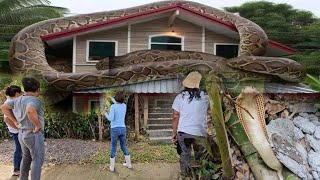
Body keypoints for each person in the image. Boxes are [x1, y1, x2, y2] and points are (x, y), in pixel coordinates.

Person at [0, 77, 45, 180]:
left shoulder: (17, 99)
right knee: (37, 160)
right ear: (37, 89)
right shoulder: (34, 100)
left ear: (24, 89)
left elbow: (3, 107)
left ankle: (23, 178)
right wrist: (38, 125)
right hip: (33, 134)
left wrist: (15, 121)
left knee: (26, 158)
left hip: (22, 134)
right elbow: (30, 110)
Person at [172, 71, 210, 179]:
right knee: (200, 156)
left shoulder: (180, 97)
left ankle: (185, 175)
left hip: (184, 132)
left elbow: (175, 116)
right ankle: (200, 175)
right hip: (200, 132)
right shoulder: (206, 97)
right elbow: (209, 112)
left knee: (184, 154)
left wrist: (174, 133)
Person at [104, 91, 131, 172]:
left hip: (115, 129)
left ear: (116, 98)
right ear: (123, 99)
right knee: (123, 146)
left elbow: (111, 118)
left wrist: (105, 112)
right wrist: (111, 98)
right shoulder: (124, 106)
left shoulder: (113, 107)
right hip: (123, 129)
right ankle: (129, 164)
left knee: (113, 147)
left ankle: (112, 167)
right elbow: (118, 103)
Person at [2, 85, 23, 176]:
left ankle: (21, 167)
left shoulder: (13, 101)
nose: (22, 94)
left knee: (22, 149)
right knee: (18, 149)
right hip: (16, 131)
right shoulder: (10, 102)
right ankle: (16, 169)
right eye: (21, 93)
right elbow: (6, 119)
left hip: (18, 130)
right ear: (17, 93)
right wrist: (17, 127)